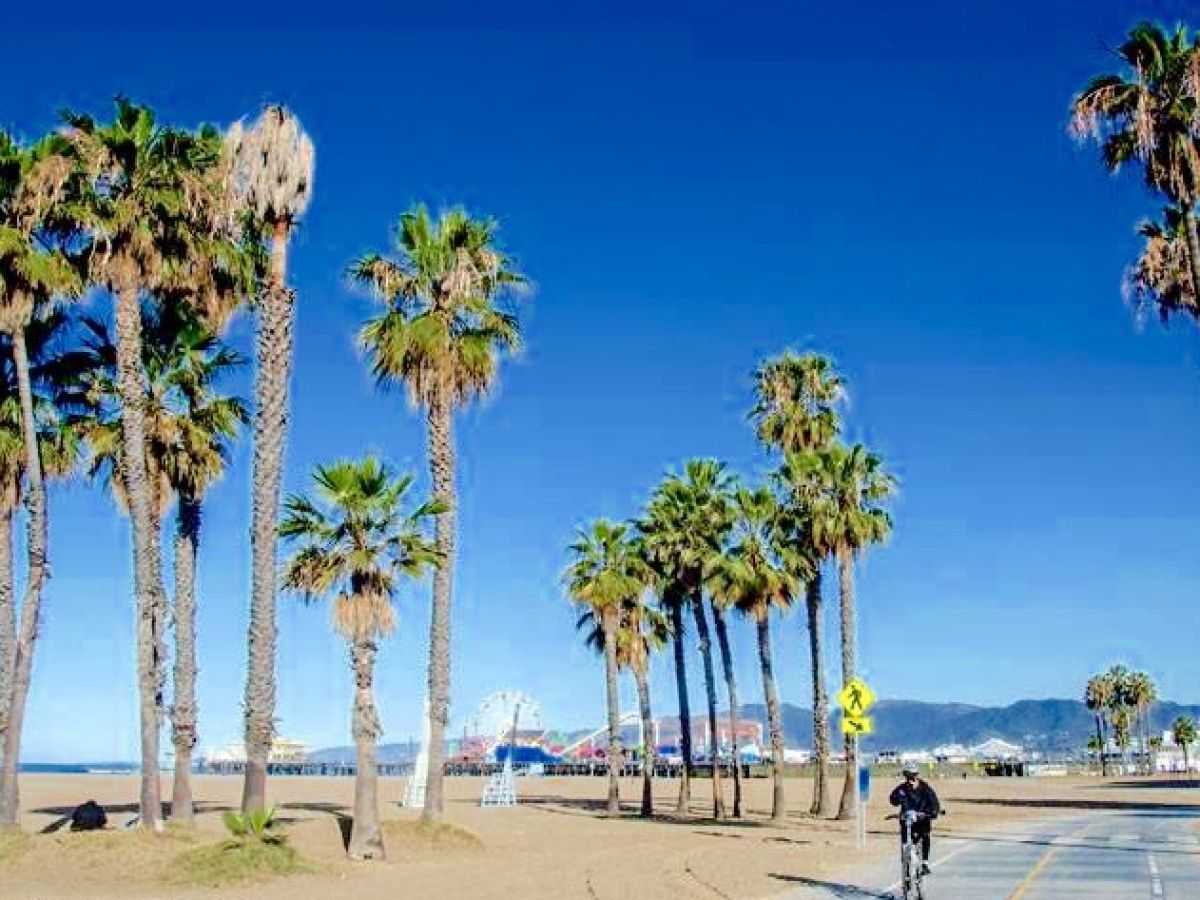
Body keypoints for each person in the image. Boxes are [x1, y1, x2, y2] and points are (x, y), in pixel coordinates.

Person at [889, 764, 940, 874]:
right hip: (907, 821)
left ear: (917, 777)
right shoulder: (902, 788)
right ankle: (905, 866)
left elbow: (935, 804)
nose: (909, 781)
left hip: (922, 820)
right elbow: (893, 800)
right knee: (905, 842)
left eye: (912, 778)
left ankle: (925, 863)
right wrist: (897, 798)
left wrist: (930, 813)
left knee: (925, 835)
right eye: (907, 777)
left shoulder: (926, 789)